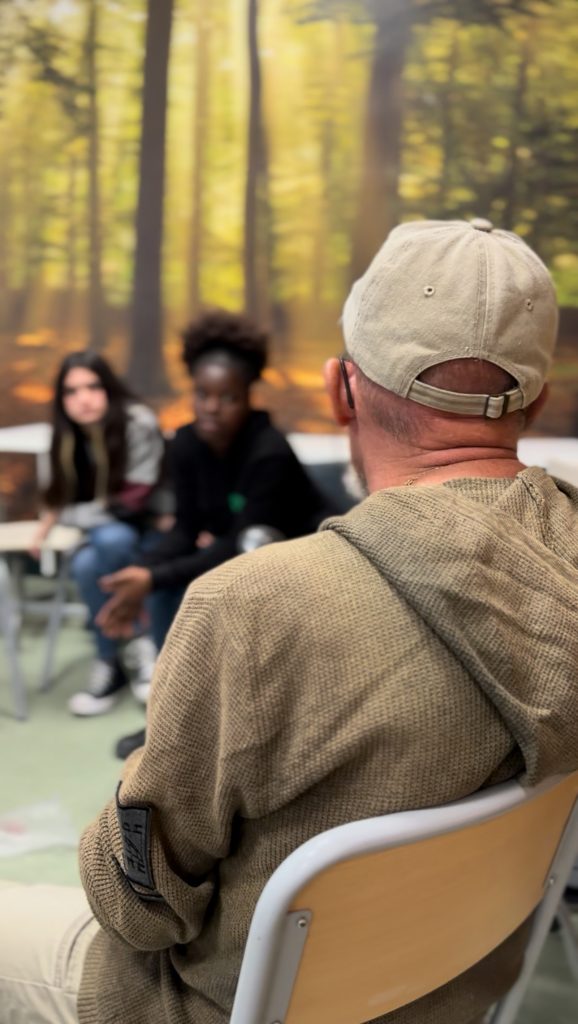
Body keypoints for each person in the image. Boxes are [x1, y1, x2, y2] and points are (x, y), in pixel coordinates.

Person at [3, 218, 578, 1024]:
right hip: (455, 994)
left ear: (342, 388)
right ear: (537, 399)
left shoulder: (251, 611)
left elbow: (138, 908)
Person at [97, 309, 331, 757]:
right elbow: (186, 530)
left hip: (299, 560)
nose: (211, 407)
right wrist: (141, 572)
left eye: (228, 397)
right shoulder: (185, 444)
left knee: (181, 588)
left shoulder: (269, 450)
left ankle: (216, 728)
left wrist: (151, 577)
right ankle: (169, 722)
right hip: (243, 554)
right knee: (166, 590)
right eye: (202, 394)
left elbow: (238, 543)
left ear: (248, 398)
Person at [31, 351, 164, 717]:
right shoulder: (67, 433)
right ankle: (113, 660)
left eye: (92, 386)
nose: (83, 399)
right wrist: (46, 526)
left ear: (110, 387)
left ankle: (137, 642)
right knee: (88, 562)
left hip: (155, 526)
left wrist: (69, 517)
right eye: (71, 391)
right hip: (107, 531)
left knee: (109, 542)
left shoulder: (137, 422)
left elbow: (135, 500)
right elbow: (60, 495)